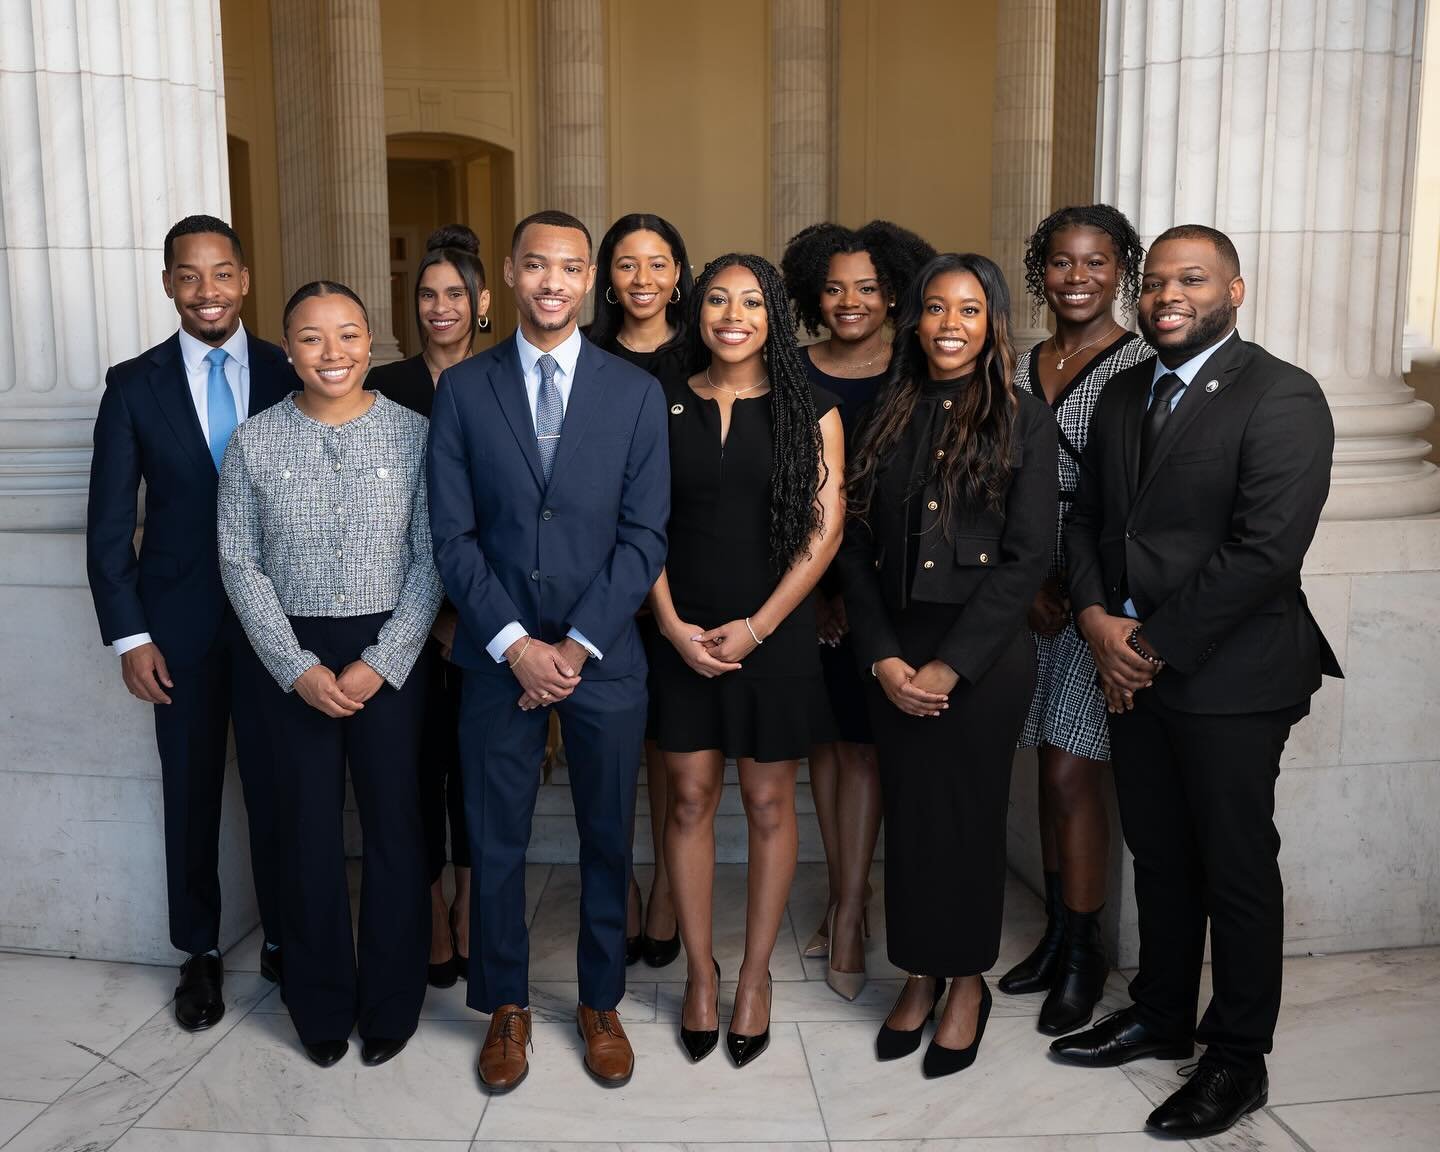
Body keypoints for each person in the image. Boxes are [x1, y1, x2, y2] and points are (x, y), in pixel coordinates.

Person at [1054, 225, 1340, 1138]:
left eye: (1192, 280)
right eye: (1155, 282)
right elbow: (1091, 519)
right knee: (1162, 855)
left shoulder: (1283, 395)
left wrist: (1147, 647)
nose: (1166, 295)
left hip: (1233, 674)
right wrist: (1097, 622)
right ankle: (1162, 1013)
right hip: (1133, 664)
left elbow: (1265, 553)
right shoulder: (1126, 391)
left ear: (1235, 291)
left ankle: (1235, 1059)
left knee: (1236, 866)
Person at [427, 210, 669, 1092]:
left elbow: (645, 538)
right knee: (495, 840)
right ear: (511, 274)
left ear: (591, 281)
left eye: (571, 267)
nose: (553, 282)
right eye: (537, 265)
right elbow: (450, 537)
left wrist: (572, 647)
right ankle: (506, 1008)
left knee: (608, 836)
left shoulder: (634, 393)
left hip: (603, 660)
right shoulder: (463, 390)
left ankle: (600, 1000)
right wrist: (515, 645)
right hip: (495, 657)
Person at [837, 253, 1057, 1079]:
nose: (950, 324)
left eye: (968, 309)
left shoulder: (1025, 420)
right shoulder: (886, 412)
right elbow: (852, 552)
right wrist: (885, 657)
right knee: (916, 822)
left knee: (967, 822)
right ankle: (919, 973)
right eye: (935, 308)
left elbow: (1028, 557)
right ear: (915, 320)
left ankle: (967, 981)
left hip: (985, 659)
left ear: (992, 322)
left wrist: (952, 666)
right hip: (895, 649)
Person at [218, 280, 441, 1068]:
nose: (332, 353)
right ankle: (316, 1005)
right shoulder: (254, 441)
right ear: (289, 350)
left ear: (370, 340)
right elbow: (239, 562)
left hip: (391, 654)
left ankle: (391, 1003)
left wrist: (384, 661)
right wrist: (296, 666)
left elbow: (432, 556)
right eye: (311, 339)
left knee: (394, 833)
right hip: (291, 658)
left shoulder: (415, 435)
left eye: (347, 335)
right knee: (304, 833)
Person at [85, 214, 294, 1031]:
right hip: (178, 628)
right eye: (189, 275)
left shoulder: (289, 370)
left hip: (283, 623)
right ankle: (199, 954)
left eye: (221, 273)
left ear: (244, 279)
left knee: (284, 787)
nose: (207, 290)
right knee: (192, 792)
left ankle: (288, 936)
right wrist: (130, 636)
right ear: (168, 283)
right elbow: (108, 525)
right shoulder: (132, 385)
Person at [651, 253, 845, 1067]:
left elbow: (824, 531)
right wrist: (668, 625)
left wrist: (758, 628)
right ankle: (701, 974)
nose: (735, 314)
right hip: (678, 629)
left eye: (754, 301)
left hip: (775, 634)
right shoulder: (654, 402)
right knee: (689, 800)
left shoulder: (814, 410)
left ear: (775, 317)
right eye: (720, 299)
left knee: (769, 804)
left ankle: (756, 979)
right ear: (698, 311)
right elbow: (635, 521)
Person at [999, 205, 1153, 1035]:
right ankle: (1059, 936)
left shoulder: (1137, 362)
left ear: (1121, 268)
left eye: (1096, 262)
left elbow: (1137, 497)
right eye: (1061, 263)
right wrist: (1023, 582)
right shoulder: (1027, 363)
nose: (1078, 278)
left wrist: (1083, 592)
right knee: (1045, 776)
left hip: (1098, 595)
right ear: (1041, 272)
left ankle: (1088, 953)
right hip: (1026, 590)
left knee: (1070, 775)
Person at [780, 219, 935, 1000]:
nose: (850, 302)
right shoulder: (789, 369)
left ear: (893, 294)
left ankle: (849, 908)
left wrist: (854, 596)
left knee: (868, 751)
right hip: (804, 591)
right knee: (826, 750)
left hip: (889, 594)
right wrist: (812, 597)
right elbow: (781, 494)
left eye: (868, 288)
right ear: (813, 292)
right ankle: (847, 891)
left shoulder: (916, 369)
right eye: (835, 287)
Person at [368, 223, 493, 988]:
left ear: (482, 302)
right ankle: (433, 903)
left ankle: (474, 901)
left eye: (454, 294)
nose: (439, 307)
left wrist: (473, 614)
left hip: (492, 616)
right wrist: (429, 616)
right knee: (416, 768)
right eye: (426, 294)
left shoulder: (509, 379)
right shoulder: (386, 388)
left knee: (476, 767)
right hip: (406, 616)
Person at [586, 212, 696, 969]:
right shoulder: (582, 355)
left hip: (689, 578)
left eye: (658, 264)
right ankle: (620, 885)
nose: (643, 280)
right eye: (627, 264)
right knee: (610, 751)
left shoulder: (705, 353)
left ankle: (663, 890)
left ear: (679, 275)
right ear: (607, 277)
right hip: (603, 581)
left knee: (669, 745)